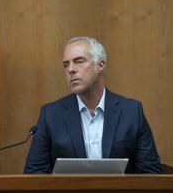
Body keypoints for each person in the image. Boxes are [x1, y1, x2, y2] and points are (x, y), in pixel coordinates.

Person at [24, 36, 161, 174]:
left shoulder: (131, 112)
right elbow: (34, 173)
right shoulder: (51, 115)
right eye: (66, 65)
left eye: (79, 61)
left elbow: (151, 173)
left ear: (100, 65)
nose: (70, 69)